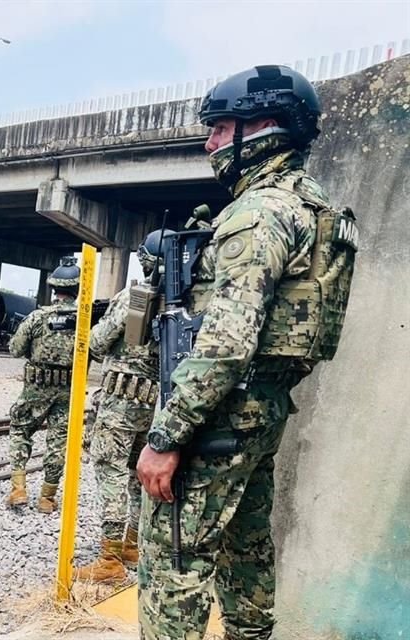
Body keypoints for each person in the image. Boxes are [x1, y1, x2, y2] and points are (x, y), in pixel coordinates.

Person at [135, 65, 358, 639]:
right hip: (263, 409)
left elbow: (228, 340)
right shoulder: (313, 207)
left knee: (173, 561)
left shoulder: (258, 213)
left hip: (220, 415)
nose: (210, 144)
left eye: (219, 129)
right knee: (246, 550)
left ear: (261, 127)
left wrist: (166, 437)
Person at [74, 231, 163, 583]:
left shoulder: (133, 296)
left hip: (119, 401)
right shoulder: (182, 299)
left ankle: (109, 560)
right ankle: (132, 544)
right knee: (138, 473)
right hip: (153, 402)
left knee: (109, 469)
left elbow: (97, 343)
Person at [5, 256, 81, 513]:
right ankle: (47, 498)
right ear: (77, 289)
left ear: (54, 288)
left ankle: (18, 490)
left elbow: (15, 349)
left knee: (20, 430)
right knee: (58, 442)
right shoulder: (84, 320)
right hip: (67, 391)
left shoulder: (37, 317)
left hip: (35, 388)